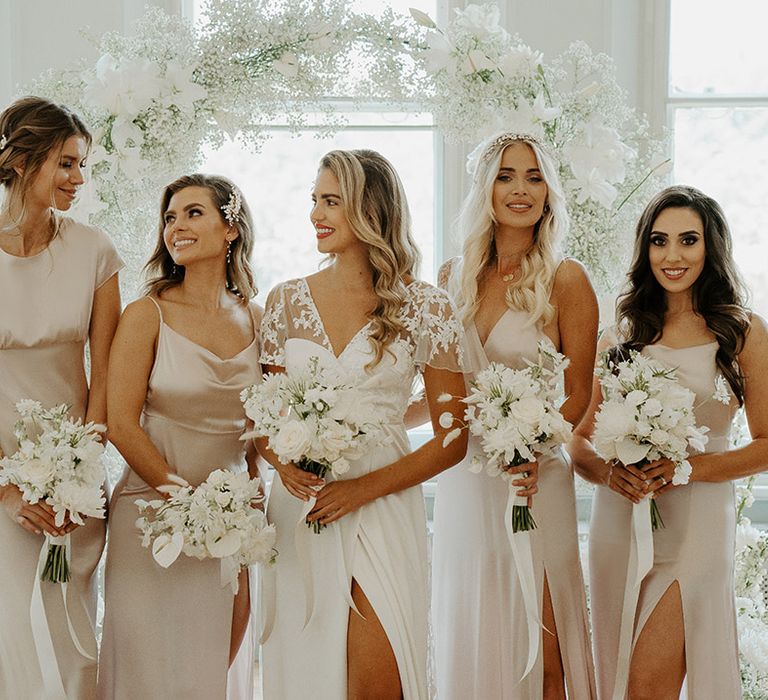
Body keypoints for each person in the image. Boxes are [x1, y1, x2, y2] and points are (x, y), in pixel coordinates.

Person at [257, 149, 468, 699]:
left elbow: (453, 436)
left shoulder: (426, 306)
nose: (315, 215)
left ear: (369, 210)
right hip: (304, 507)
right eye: (314, 201)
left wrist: (361, 490)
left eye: (331, 201)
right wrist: (282, 463)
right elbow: (262, 416)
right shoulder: (283, 302)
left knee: (380, 679)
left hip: (382, 502)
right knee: (309, 671)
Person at [569, 185, 768, 699]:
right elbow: (577, 442)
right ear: (645, 250)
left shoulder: (742, 333)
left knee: (645, 687)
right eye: (659, 241)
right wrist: (611, 474)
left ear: (711, 247)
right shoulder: (621, 337)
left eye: (688, 240)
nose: (672, 255)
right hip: (622, 519)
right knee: (617, 676)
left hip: (697, 525)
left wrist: (686, 469)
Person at [425, 132, 598, 699]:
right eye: (505, 176)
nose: (520, 189)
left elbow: (578, 392)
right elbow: (443, 393)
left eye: (533, 176)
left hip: (535, 477)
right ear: (485, 187)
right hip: (466, 478)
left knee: (540, 635)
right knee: (475, 620)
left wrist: (537, 448)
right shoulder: (453, 277)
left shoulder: (566, 279)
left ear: (549, 191)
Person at [99, 174, 261, 699]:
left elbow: (263, 435)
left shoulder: (258, 321)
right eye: (170, 217)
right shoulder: (146, 313)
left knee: (206, 671)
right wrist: (183, 500)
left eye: (193, 213)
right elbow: (120, 423)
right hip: (148, 518)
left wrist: (251, 513)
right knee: (145, 673)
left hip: (229, 525)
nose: (177, 227)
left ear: (230, 227)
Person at [0, 96, 122, 698]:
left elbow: (106, 377)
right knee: (9, 637)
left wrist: (82, 468)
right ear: (23, 160)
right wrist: (7, 485)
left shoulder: (95, 252)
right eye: (66, 164)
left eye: (83, 166)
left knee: (70, 635)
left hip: (73, 479)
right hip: (2, 479)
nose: (78, 179)